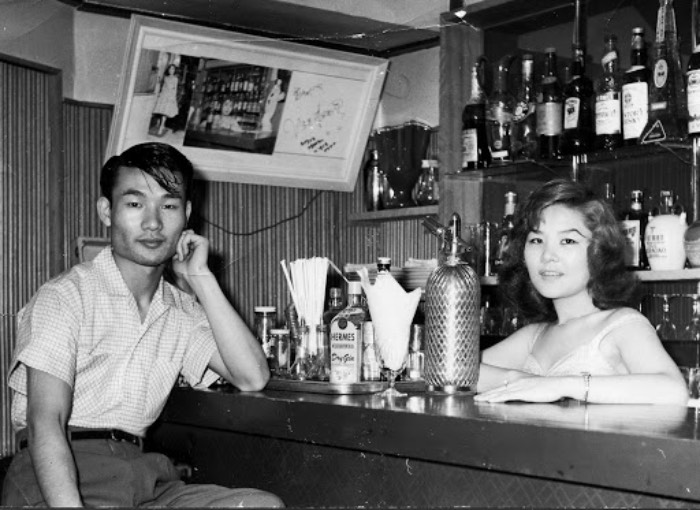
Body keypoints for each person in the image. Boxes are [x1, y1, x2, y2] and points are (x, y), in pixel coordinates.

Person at [2, 142, 285, 507]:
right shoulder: (65, 297)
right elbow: (46, 421)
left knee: (262, 505)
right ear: (107, 211)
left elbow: (252, 376)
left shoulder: (180, 309)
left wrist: (201, 277)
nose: (153, 223)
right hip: (58, 476)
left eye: (168, 206)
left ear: (186, 214)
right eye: (135, 204)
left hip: (142, 478)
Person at [474, 179, 688, 405]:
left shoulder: (622, 325)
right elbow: (452, 370)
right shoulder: (535, 335)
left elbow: (674, 390)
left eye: (567, 240)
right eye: (536, 240)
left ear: (599, 251)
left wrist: (559, 386)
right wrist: (515, 379)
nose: (547, 255)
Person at [153, 64, 180, 136]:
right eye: (170, 69)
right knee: (162, 111)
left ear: (174, 70)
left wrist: (173, 98)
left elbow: (175, 89)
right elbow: (164, 87)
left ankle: (161, 127)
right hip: (164, 95)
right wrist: (160, 94)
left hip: (170, 96)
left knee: (165, 112)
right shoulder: (166, 78)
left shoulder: (175, 79)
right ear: (168, 70)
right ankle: (161, 125)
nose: (171, 70)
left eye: (173, 69)